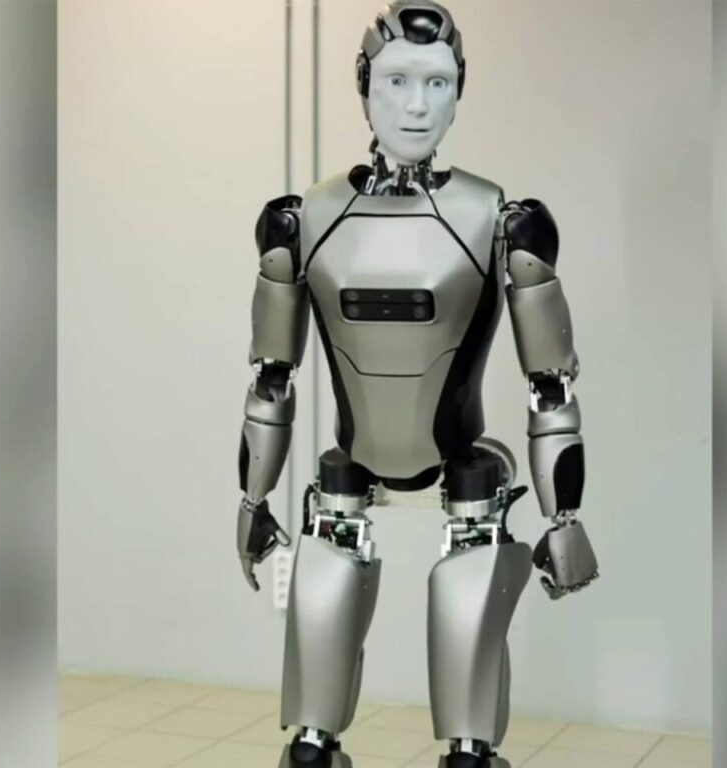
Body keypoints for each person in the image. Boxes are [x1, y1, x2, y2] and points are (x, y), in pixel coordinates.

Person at [236, 2, 597, 765]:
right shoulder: (304, 219)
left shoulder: (500, 219)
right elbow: (272, 374)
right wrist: (252, 499)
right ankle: (316, 741)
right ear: (364, 85)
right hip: (350, 464)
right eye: (397, 81)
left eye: (436, 83)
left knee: (467, 699)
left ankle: (469, 747)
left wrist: (564, 517)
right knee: (312, 712)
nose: (416, 105)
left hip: (463, 464)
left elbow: (549, 385)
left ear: (459, 90)